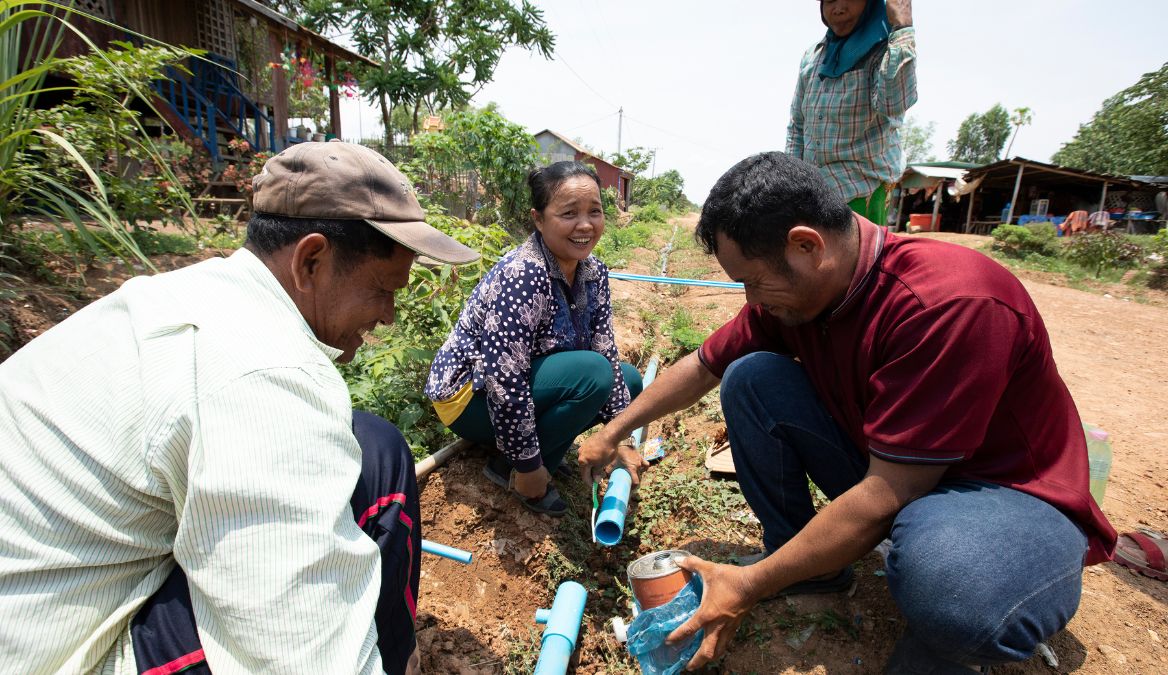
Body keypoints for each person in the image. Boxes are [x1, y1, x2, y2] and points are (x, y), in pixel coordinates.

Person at [577, 152, 1117, 672]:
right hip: (900, 466)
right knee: (750, 378)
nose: (751, 300)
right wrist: (616, 429)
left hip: (1001, 493)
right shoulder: (806, 295)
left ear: (806, 245)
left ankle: (963, 605)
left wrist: (748, 584)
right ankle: (809, 569)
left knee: (955, 595)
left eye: (752, 280)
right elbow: (704, 365)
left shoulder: (947, 302)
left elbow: (887, 494)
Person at [0, 141, 479, 674]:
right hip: (56, 654)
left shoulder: (195, 294)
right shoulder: (264, 375)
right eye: (381, 289)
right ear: (312, 260)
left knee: (374, 447)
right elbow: (303, 656)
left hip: (65, 588)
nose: (388, 316)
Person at [425, 161, 645, 517]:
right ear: (538, 219)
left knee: (630, 380)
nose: (585, 225)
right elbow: (502, 379)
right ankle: (513, 468)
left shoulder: (593, 272)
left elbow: (605, 344)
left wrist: (621, 439)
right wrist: (528, 467)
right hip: (470, 396)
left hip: (521, 381)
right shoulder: (524, 275)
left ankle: (532, 453)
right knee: (594, 374)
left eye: (595, 212)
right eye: (569, 213)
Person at [788, 0, 917, 225]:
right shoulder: (814, 56)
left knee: (861, 260)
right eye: (829, 1)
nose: (838, 8)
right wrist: (792, 180)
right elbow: (798, 125)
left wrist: (903, 28)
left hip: (861, 192)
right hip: (814, 195)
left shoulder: (884, 49)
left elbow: (894, 104)